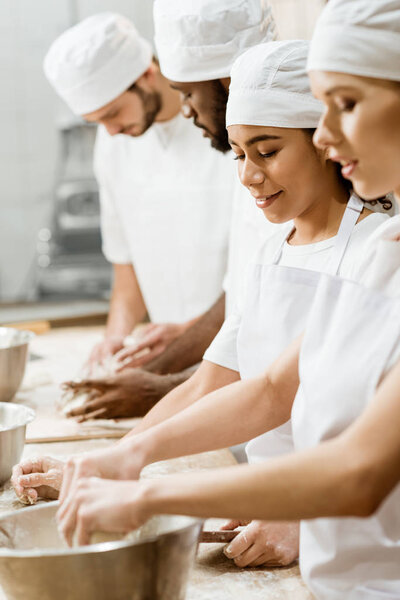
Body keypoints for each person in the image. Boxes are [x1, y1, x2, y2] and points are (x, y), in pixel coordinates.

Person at [33, 1, 400, 598]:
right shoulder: (379, 252)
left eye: (347, 105)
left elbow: (358, 473)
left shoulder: (367, 246)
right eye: (239, 153)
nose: (331, 135)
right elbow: (272, 389)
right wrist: (125, 457)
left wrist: (146, 491)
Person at [63, 0, 278, 420]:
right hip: (199, 372)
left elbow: (265, 318)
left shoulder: (245, 151)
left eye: (186, 94)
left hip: (220, 377)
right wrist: (122, 348)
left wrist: (162, 377)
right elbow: (243, 295)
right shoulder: (239, 152)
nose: (185, 110)